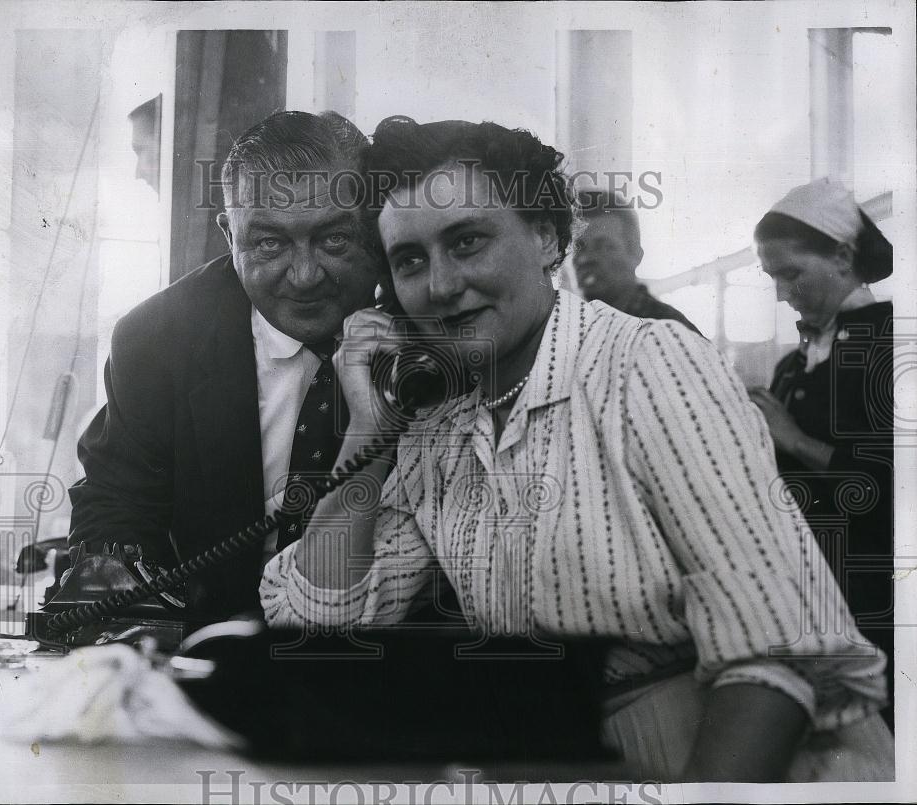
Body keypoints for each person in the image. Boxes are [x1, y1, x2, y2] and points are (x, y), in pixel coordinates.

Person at [260, 118, 892, 782]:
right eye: (410, 260)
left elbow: (780, 653)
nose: (440, 285)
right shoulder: (437, 427)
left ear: (546, 237)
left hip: (734, 755)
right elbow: (320, 623)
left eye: (467, 241)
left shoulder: (647, 361)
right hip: (570, 761)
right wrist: (369, 429)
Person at [66, 111, 382, 621]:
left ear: (375, 227)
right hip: (207, 644)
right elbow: (114, 503)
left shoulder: (431, 321)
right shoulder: (156, 340)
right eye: (269, 243)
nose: (304, 276)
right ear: (229, 236)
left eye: (335, 240)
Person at [749, 177, 894, 725]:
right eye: (772, 278)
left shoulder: (891, 345)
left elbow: (891, 491)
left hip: (873, 605)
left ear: (842, 256)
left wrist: (793, 440)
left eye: (791, 274)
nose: (782, 293)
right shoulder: (792, 365)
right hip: (805, 597)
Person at [572, 191, 701, 334]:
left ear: (636, 255)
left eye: (605, 247)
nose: (585, 259)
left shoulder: (667, 330)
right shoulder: (576, 327)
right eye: (578, 247)